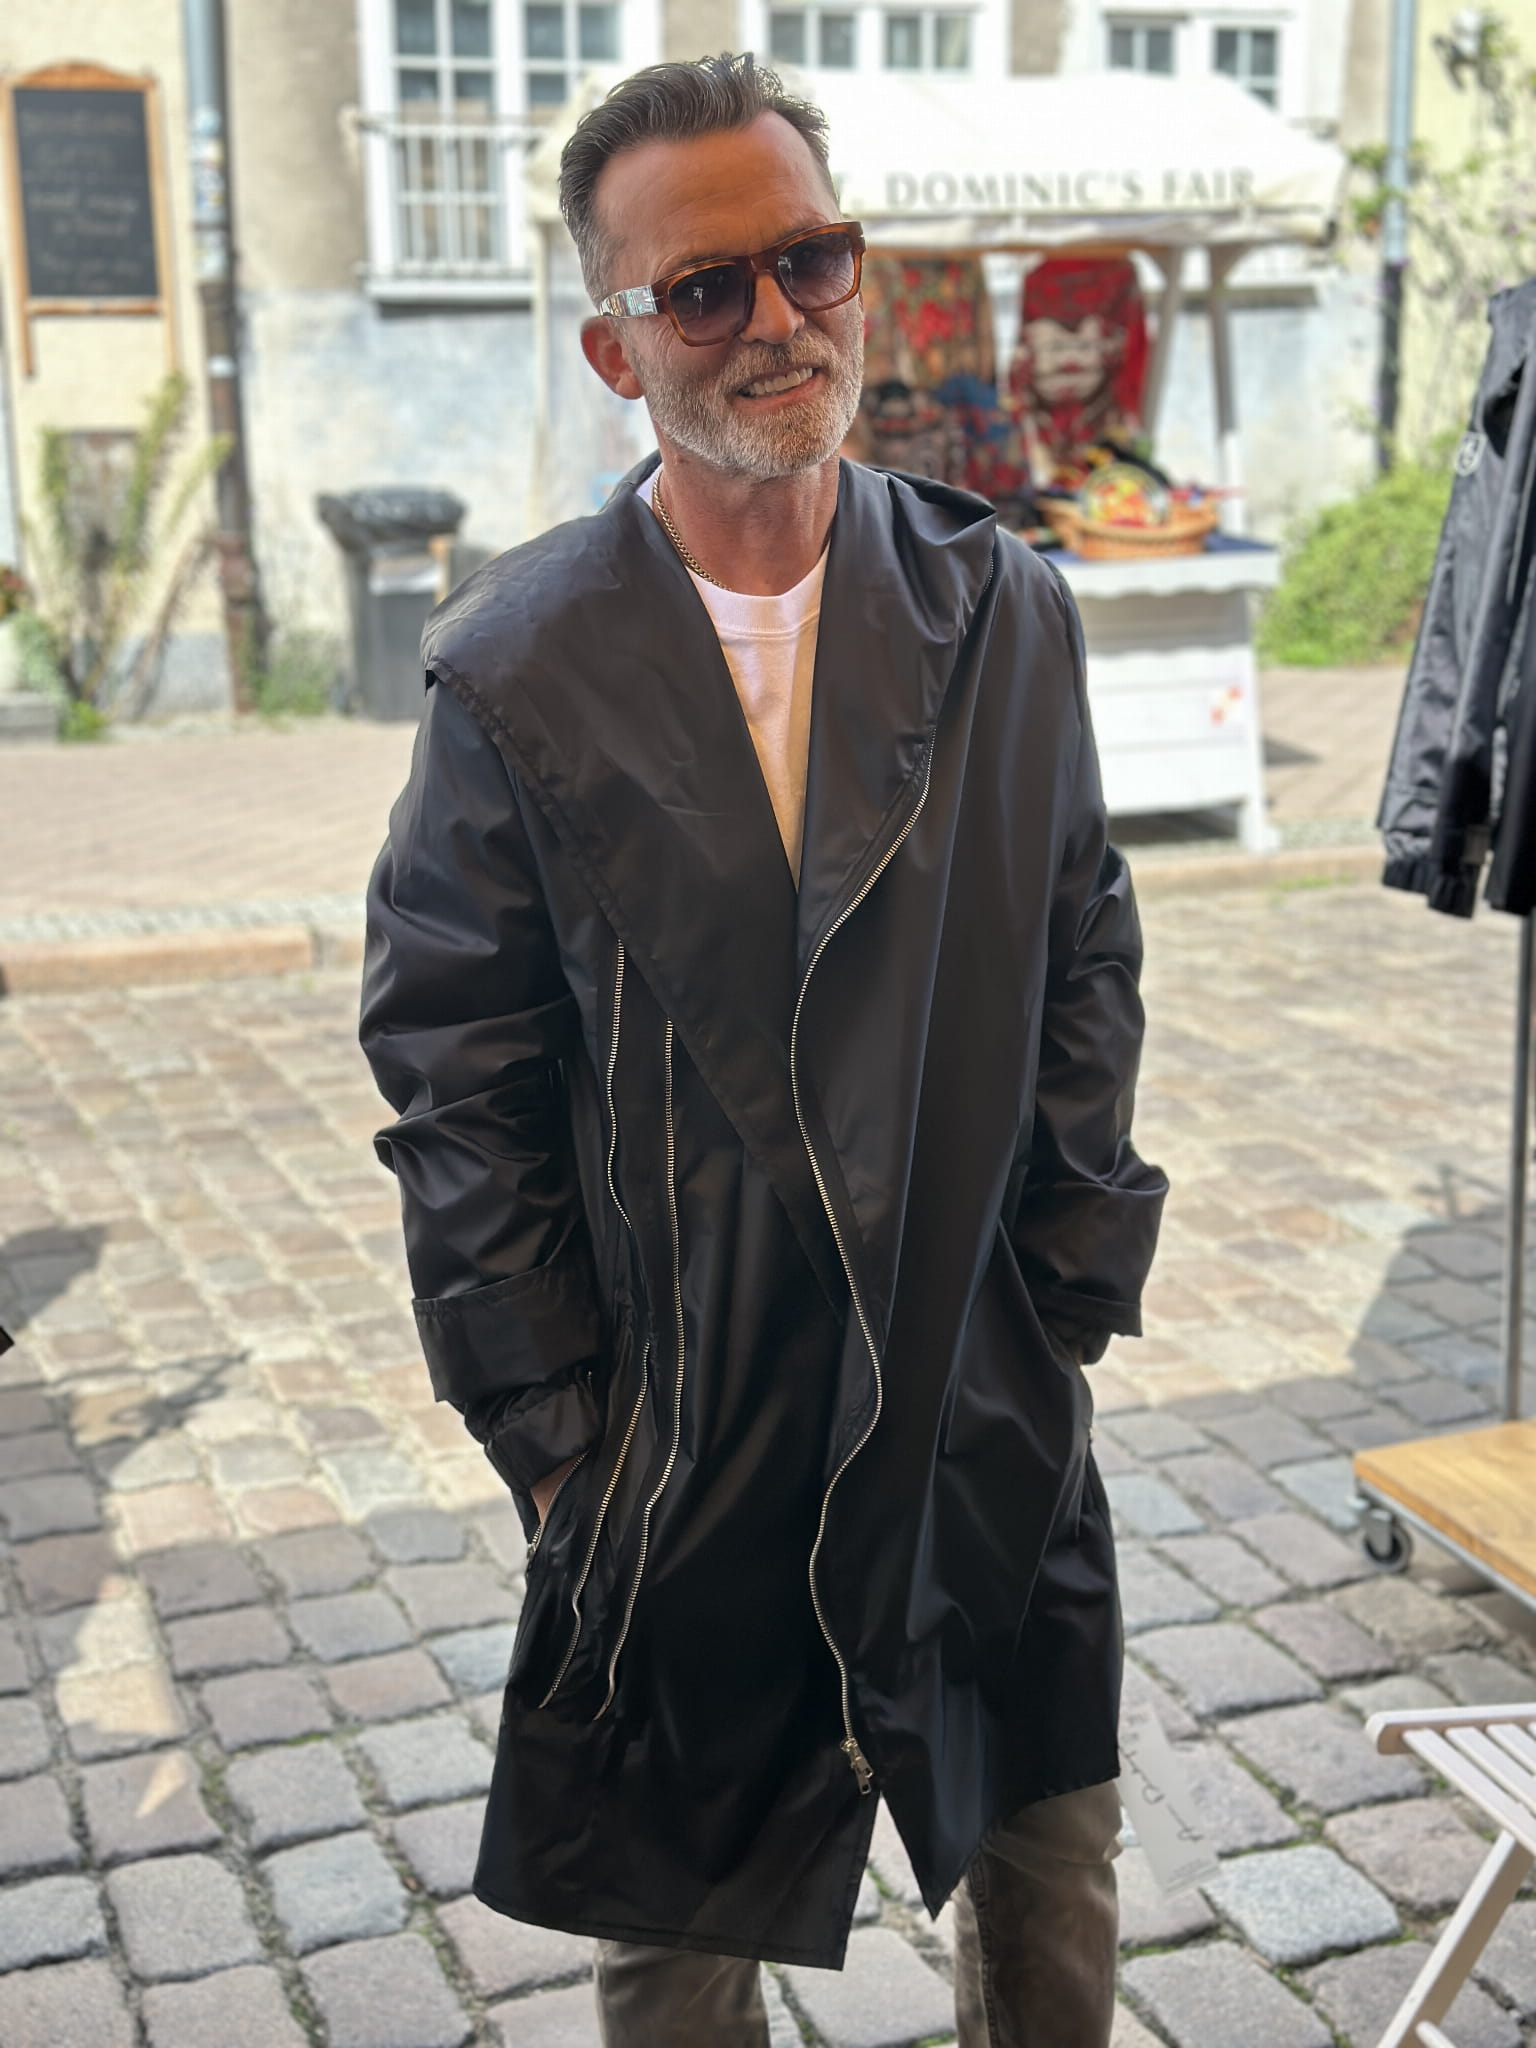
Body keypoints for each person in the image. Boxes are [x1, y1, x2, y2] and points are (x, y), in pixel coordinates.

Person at [359, 53, 1167, 2048]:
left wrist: (1066, 1280)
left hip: (974, 1389)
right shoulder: (518, 671)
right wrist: (562, 1439)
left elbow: (1084, 940)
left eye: (810, 258)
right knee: (676, 1921)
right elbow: (458, 1074)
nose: (777, 318)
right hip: (687, 1423)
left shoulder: (1002, 610)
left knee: (1051, 1853)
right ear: (615, 345)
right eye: (706, 286)